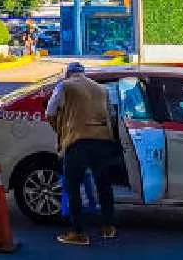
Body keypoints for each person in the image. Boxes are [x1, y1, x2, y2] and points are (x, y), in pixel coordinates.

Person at [45, 61, 119, 246]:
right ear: (84, 74)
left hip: (77, 141)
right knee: (104, 185)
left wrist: (61, 131)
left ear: (68, 74)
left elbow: (50, 111)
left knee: (73, 187)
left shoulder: (64, 86)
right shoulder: (102, 89)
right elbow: (111, 115)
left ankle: (78, 233)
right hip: (103, 141)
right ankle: (108, 227)